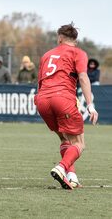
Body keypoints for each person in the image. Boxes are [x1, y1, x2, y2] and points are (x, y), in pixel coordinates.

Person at [34, 23, 98, 190]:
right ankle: (61, 167)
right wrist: (90, 105)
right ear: (75, 41)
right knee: (79, 143)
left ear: (60, 38)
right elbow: (83, 78)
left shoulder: (47, 55)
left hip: (42, 100)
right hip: (62, 98)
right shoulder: (78, 53)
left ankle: (72, 176)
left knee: (64, 139)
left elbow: (39, 82)